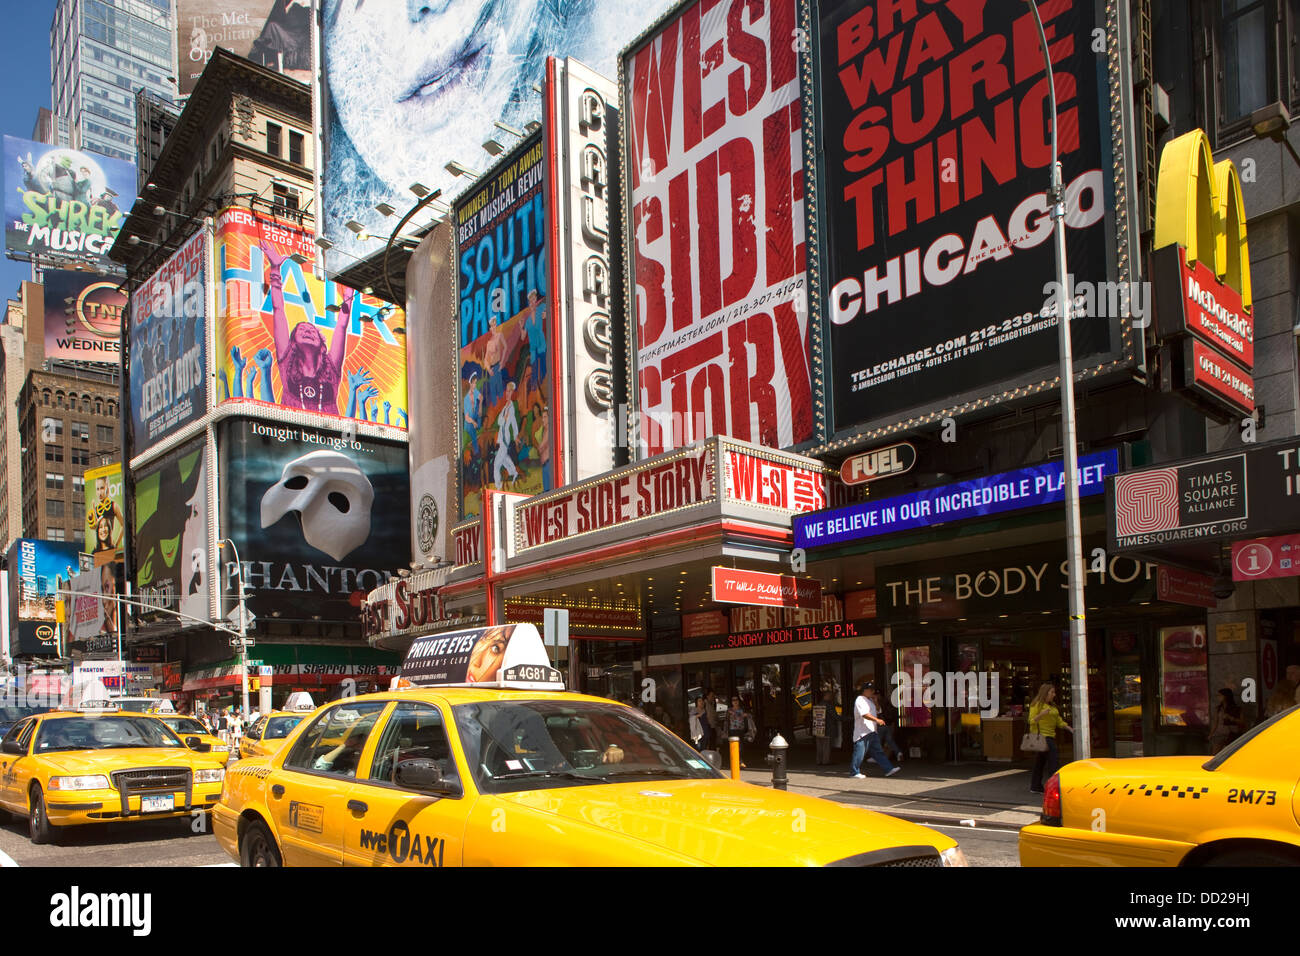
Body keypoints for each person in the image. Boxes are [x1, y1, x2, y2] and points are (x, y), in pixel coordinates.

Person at [1028, 683, 1072, 793]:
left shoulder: (1052, 706)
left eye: (1054, 692)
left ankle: (1035, 786)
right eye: (1052, 692)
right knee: (1053, 761)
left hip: (1050, 736)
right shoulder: (1037, 705)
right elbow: (1031, 721)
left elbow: (1058, 721)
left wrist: (1069, 728)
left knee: (1040, 762)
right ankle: (1053, 787)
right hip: (1042, 737)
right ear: (1045, 693)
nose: (1054, 694)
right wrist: (1041, 714)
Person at [849, 682, 898, 778]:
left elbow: (879, 710)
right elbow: (864, 714)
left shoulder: (870, 701)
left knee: (878, 751)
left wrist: (875, 702)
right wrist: (877, 720)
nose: (872, 692)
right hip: (862, 732)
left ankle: (888, 769)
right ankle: (854, 772)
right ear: (864, 690)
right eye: (870, 690)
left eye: (873, 690)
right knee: (860, 752)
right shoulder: (860, 699)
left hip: (872, 731)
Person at [1209, 687, 1245, 752]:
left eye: (1220, 695)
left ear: (1226, 696)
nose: (1218, 697)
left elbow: (1242, 722)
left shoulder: (1237, 709)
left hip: (1232, 734)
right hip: (1219, 734)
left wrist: (1231, 718)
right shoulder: (1218, 709)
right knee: (1215, 753)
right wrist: (1211, 734)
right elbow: (1215, 723)